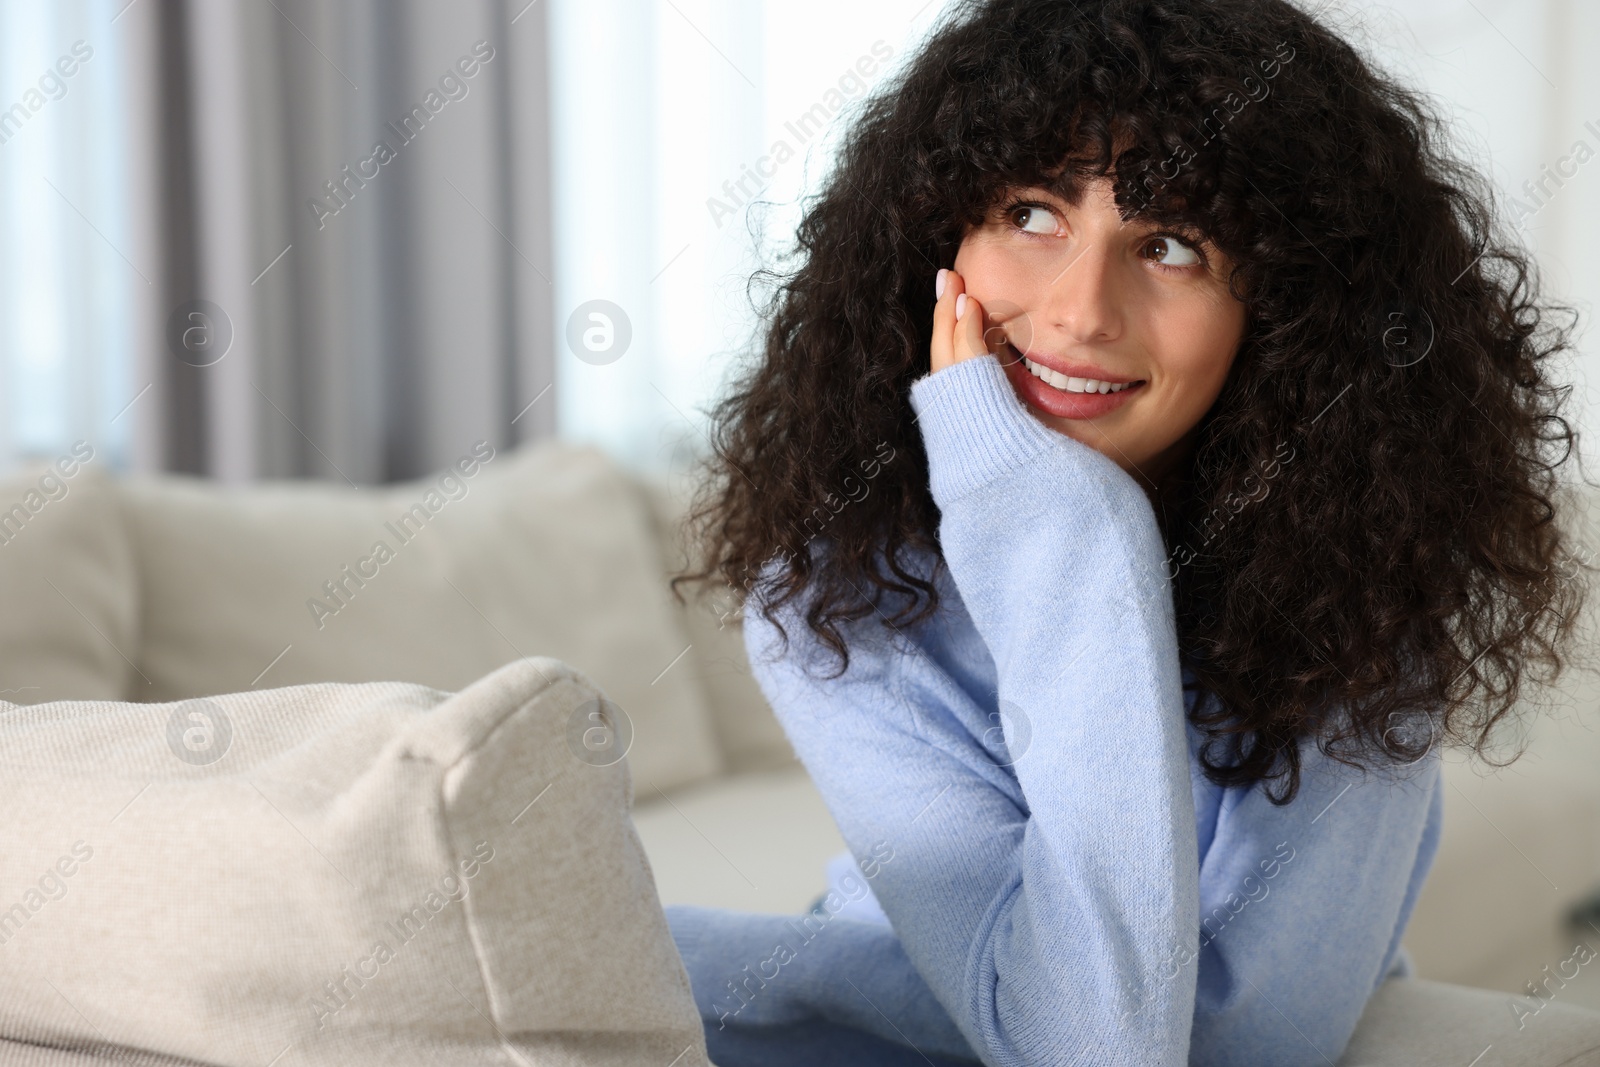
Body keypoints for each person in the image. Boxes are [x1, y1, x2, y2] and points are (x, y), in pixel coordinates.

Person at [666, 0, 1595, 1062]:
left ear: (1286, 313)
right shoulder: (834, 596)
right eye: (1028, 214)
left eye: (1168, 243)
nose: (1080, 311)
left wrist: (1051, 520)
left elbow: (1153, 1043)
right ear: (934, 239)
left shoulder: (1364, 583)